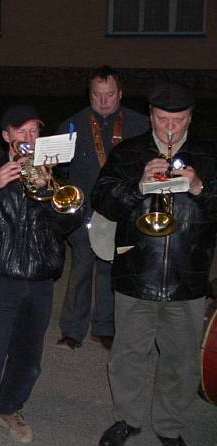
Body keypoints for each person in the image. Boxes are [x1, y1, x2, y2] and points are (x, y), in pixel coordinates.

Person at [92, 81, 217, 446]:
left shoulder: (209, 156)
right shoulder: (130, 153)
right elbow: (102, 200)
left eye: (178, 120)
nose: (170, 127)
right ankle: (126, 419)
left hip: (188, 274)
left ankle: (170, 427)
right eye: (163, 119)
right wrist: (138, 184)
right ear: (150, 117)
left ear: (190, 119)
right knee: (128, 354)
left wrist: (199, 187)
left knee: (179, 359)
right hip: (136, 271)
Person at [0, 106, 82, 446]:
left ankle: (10, 407)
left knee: (29, 357)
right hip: (1, 278)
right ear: (6, 137)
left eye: (33, 132)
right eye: (20, 132)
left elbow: (69, 222)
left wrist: (46, 191)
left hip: (41, 279)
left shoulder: (56, 174)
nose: (27, 138)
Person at [55, 66, 149, 351]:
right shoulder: (72, 125)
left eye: (109, 95)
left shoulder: (140, 125)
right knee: (81, 269)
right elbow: (59, 171)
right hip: (84, 210)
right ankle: (72, 331)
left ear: (120, 94)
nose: (104, 101)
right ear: (90, 93)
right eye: (97, 95)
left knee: (110, 269)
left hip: (121, 210)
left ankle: (104, 328)